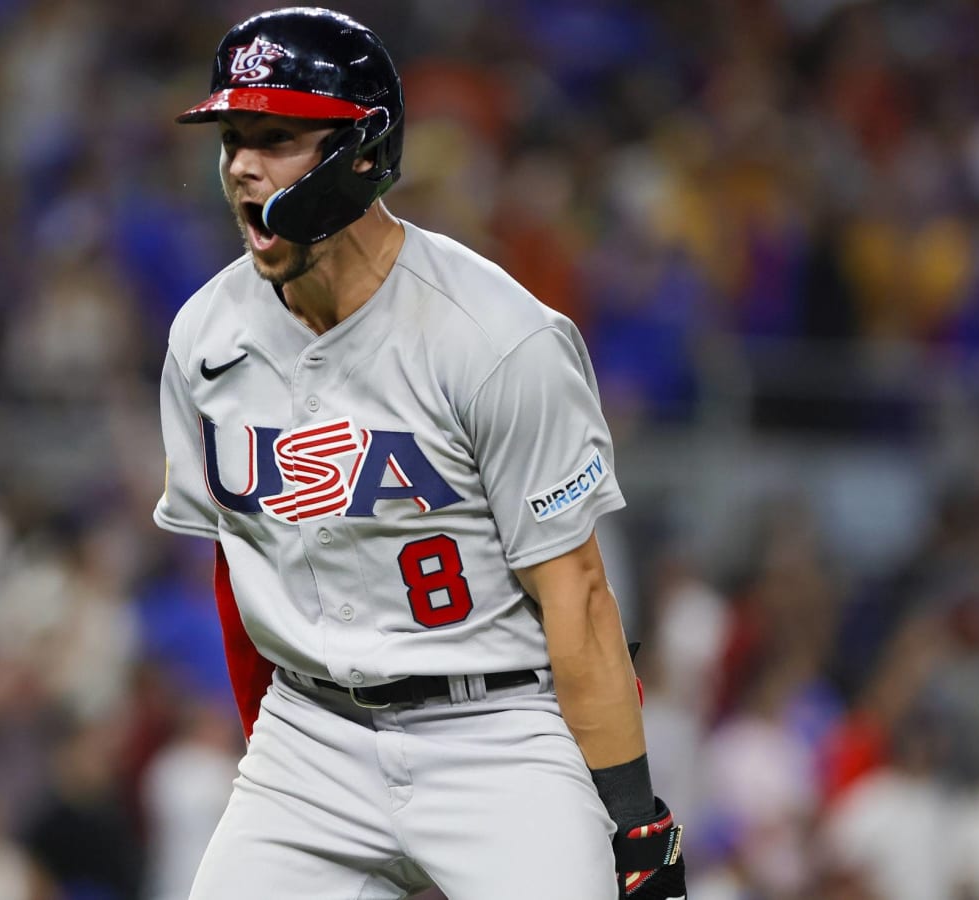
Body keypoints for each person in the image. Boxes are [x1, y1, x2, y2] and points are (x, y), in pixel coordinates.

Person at [153, 7, 687, 898]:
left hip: (499, 736)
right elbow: (235, 563)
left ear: (363, 151)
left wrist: (635, 821)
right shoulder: (204, 338)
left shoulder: (496, 337)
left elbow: (581, 601)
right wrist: (269, 756)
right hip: (308, 738)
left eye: (276, 137)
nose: (241, 164)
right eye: (233, 138)